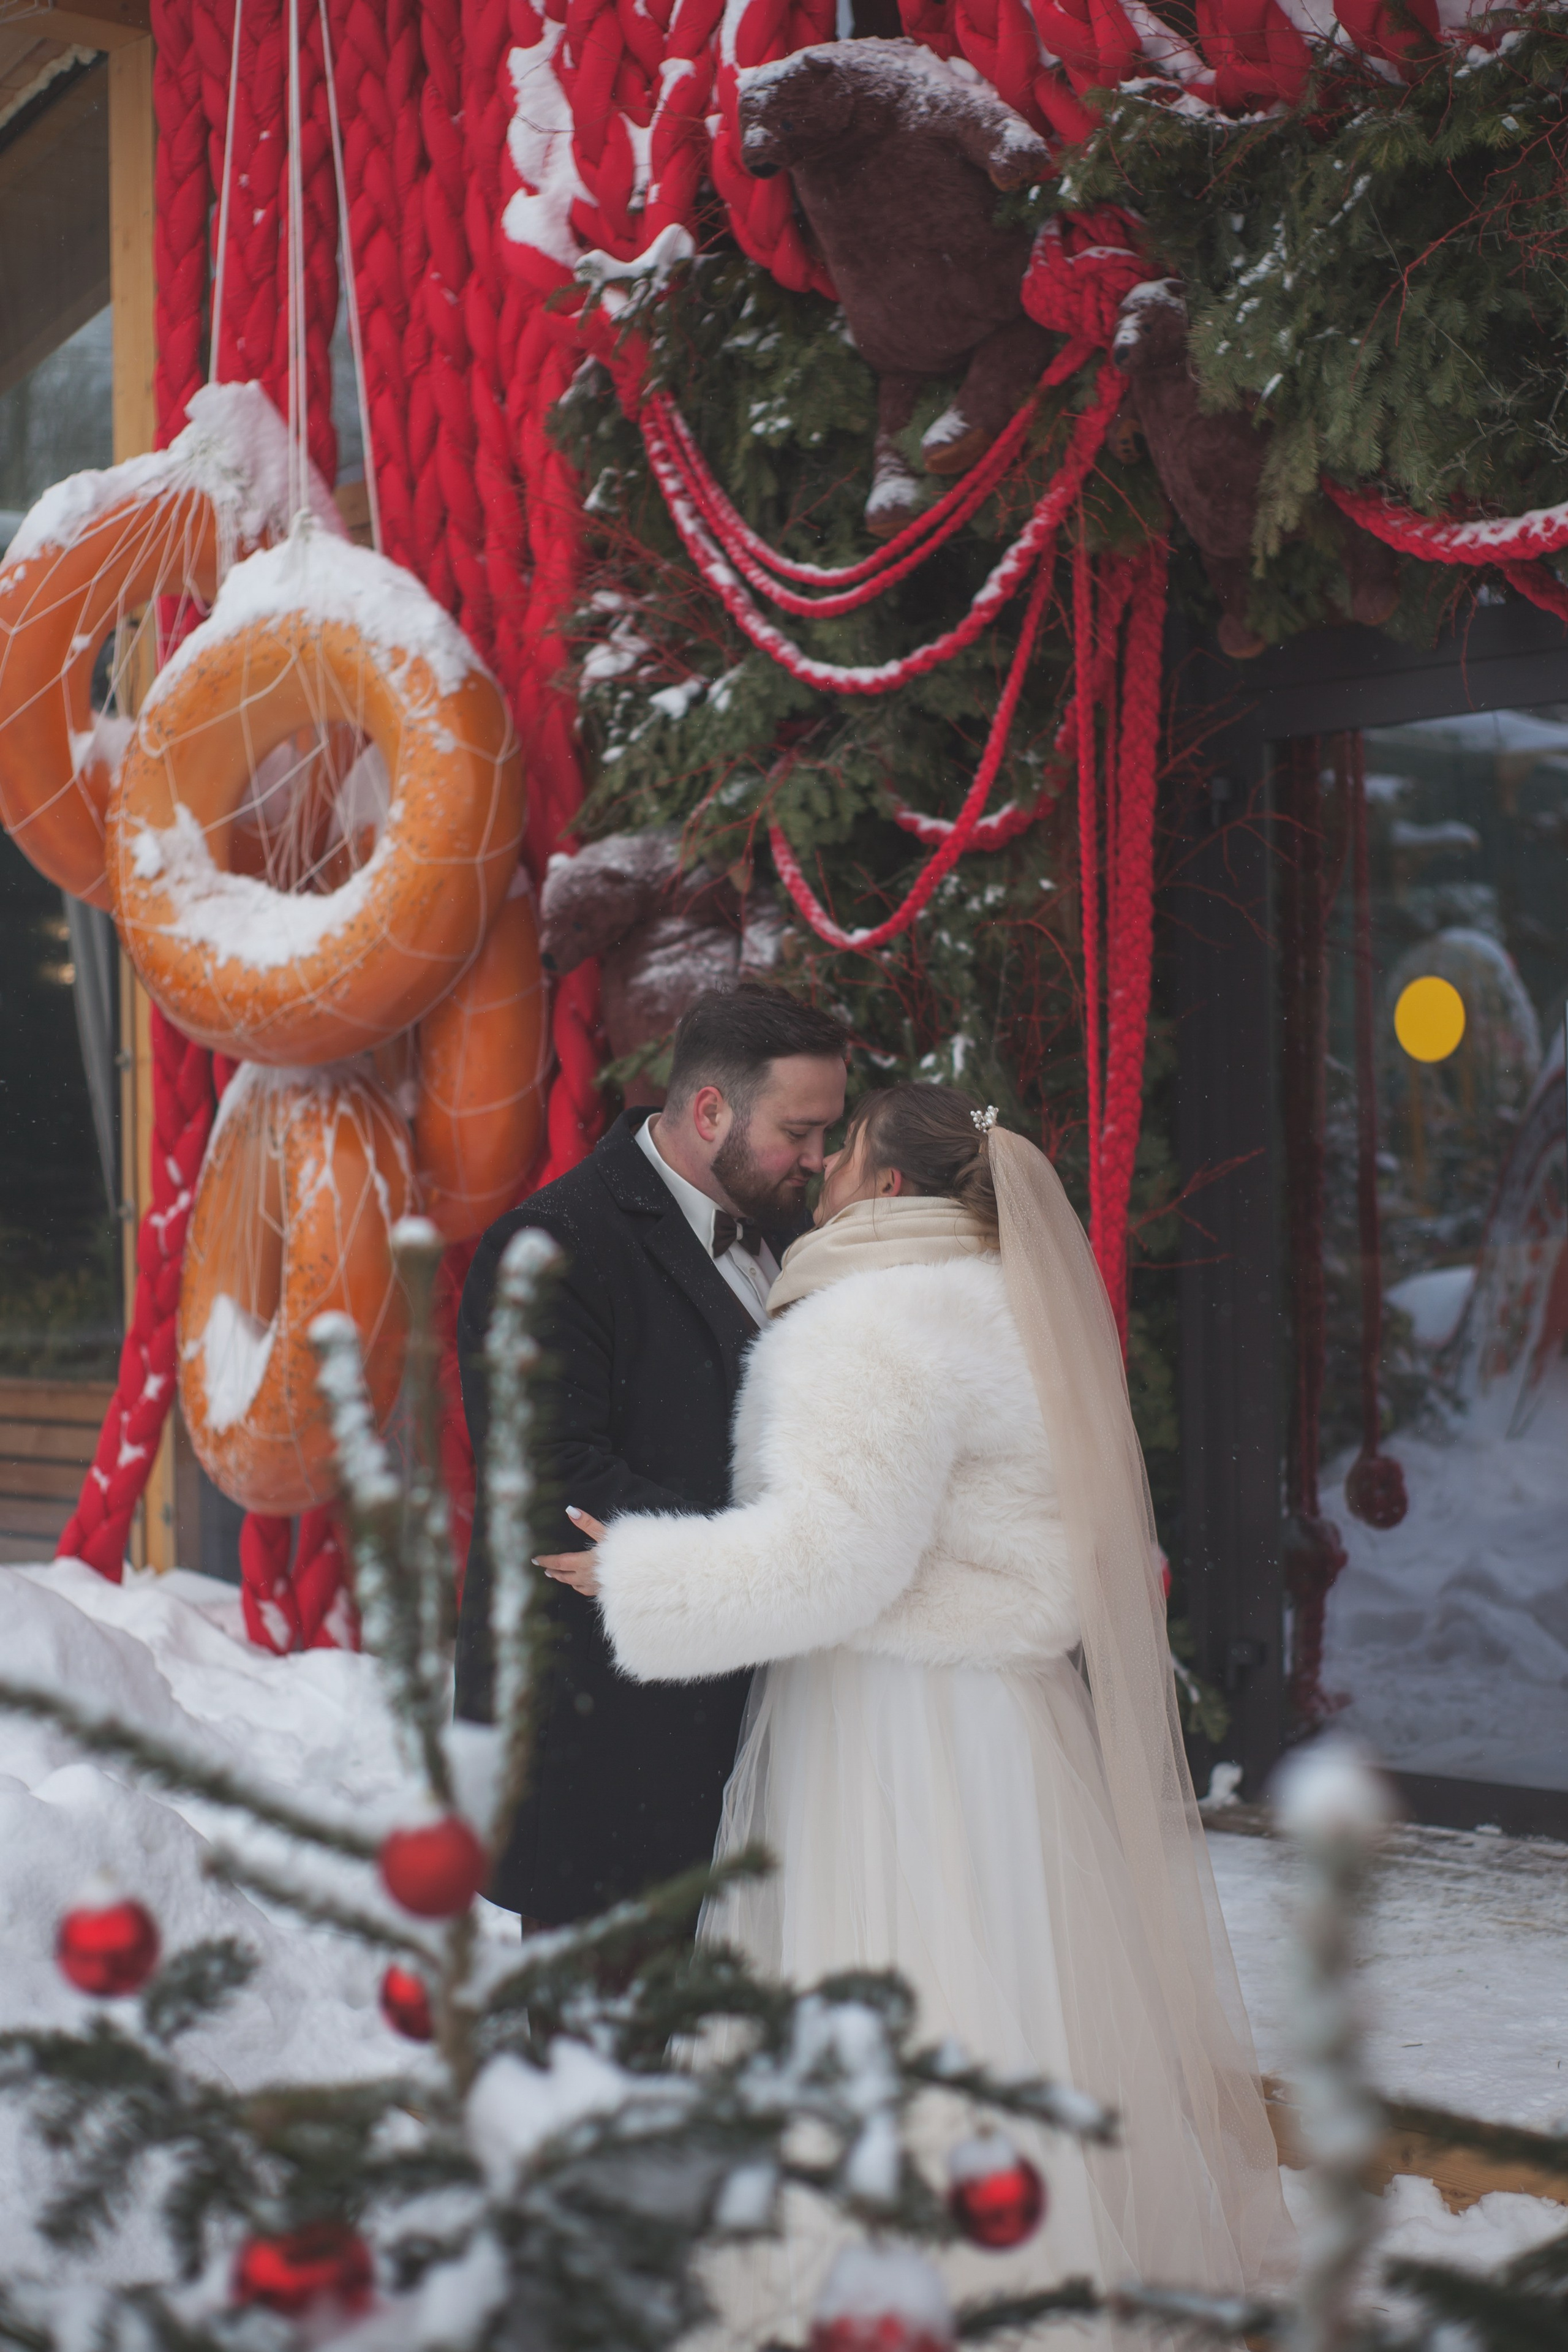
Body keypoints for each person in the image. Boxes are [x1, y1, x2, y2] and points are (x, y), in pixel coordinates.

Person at [553, 1085, 1294, 2297]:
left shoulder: (869, 1322)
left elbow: (835, 1559)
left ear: (886, 1187)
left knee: (906, 2001)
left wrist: (637, 1575)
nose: (820, 1165)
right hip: (1002, 1717)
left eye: (837, 1149)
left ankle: (920, 2286)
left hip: (893, 1720)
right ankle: (1039, 2262)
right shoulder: (1014, 1309)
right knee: (1008, 2002)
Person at [454, 983, 848, 1927]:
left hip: (751, 1736)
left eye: (828, 1131)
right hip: (608, 1746)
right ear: (710, 1110)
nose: (819, 1158)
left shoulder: (796, 1230)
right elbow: (555, 1483)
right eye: (799, 1130)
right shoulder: (551, 1246)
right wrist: (782, 1561)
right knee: (596, 2059)